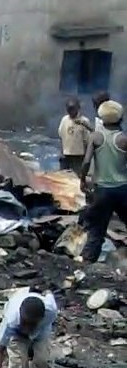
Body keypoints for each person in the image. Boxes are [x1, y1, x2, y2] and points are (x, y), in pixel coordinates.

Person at [77, 100, 127, 263]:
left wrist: (83, 179)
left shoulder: (96, 137)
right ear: (120, 118)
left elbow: (86, 162)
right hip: (122, 189)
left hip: (102, 191)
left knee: (97, 230)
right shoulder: (123, 139)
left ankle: (87, 264)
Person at [58, 97, 92, 171]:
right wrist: (61, 152)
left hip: (79, 155)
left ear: (78, 108)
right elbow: (61, 136)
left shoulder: (84, 121)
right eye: (69, 109)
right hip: (66, 154)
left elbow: (88, 140)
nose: (70, 111)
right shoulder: (64, 120)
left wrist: (86, 157)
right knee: (63, 177)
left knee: (77, 177)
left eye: (72, 109)